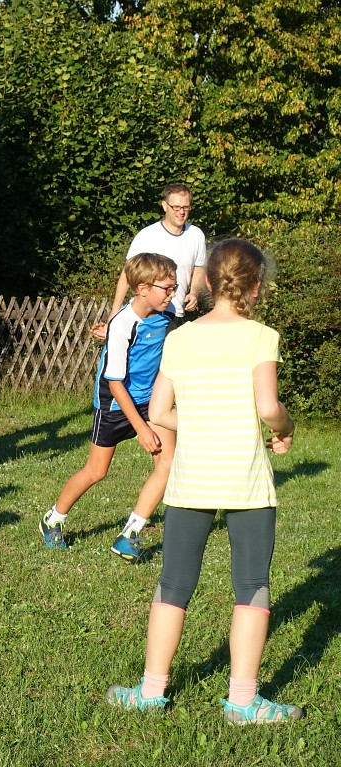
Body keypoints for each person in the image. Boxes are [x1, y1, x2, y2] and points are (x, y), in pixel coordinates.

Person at [106, 238, 302, 724]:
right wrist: (285, 428)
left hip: (191, 478)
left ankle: (150, 692)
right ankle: (242, 702)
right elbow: (268, 408)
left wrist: (200, 423)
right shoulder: (262, 336)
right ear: (256, 286)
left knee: (173, 583)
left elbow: (158, 412)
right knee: (251, 585)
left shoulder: (180, 338)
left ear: (208, 282)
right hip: (246, 480)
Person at [40, 253, 177, 560]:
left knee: (167, 463)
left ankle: (130, 535)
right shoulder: (124, 324)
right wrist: (142, 429)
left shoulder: (166, 313)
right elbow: (115, 383)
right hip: (115, 402)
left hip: (151, 400)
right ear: (142, 289)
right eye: (167, 288)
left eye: (175, 287)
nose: (172, 294)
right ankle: (53, 519)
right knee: (96, 471)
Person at [91, 183, 206, 339]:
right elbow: (127, 274)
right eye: (176, 207)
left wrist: (194, 293)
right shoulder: (147, 236)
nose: (181, 212)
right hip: (149, 314)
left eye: (186, 207)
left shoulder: (196, 235)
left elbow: (199, 269)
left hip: (177, 313)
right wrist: (114, 316)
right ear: (165, 206)